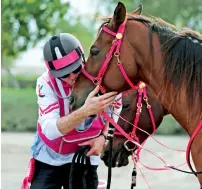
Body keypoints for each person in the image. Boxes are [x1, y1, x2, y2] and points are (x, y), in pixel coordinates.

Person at [21, 33, 122, 189]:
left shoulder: (101, 75)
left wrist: (104, 138)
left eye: (75, 69)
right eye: (63, 75)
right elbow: (50, 130)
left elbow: (116, 107)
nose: (71, 77)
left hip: (84, 155)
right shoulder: (45, 83)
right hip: (50, 157)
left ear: (83, 58)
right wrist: (85, 111)